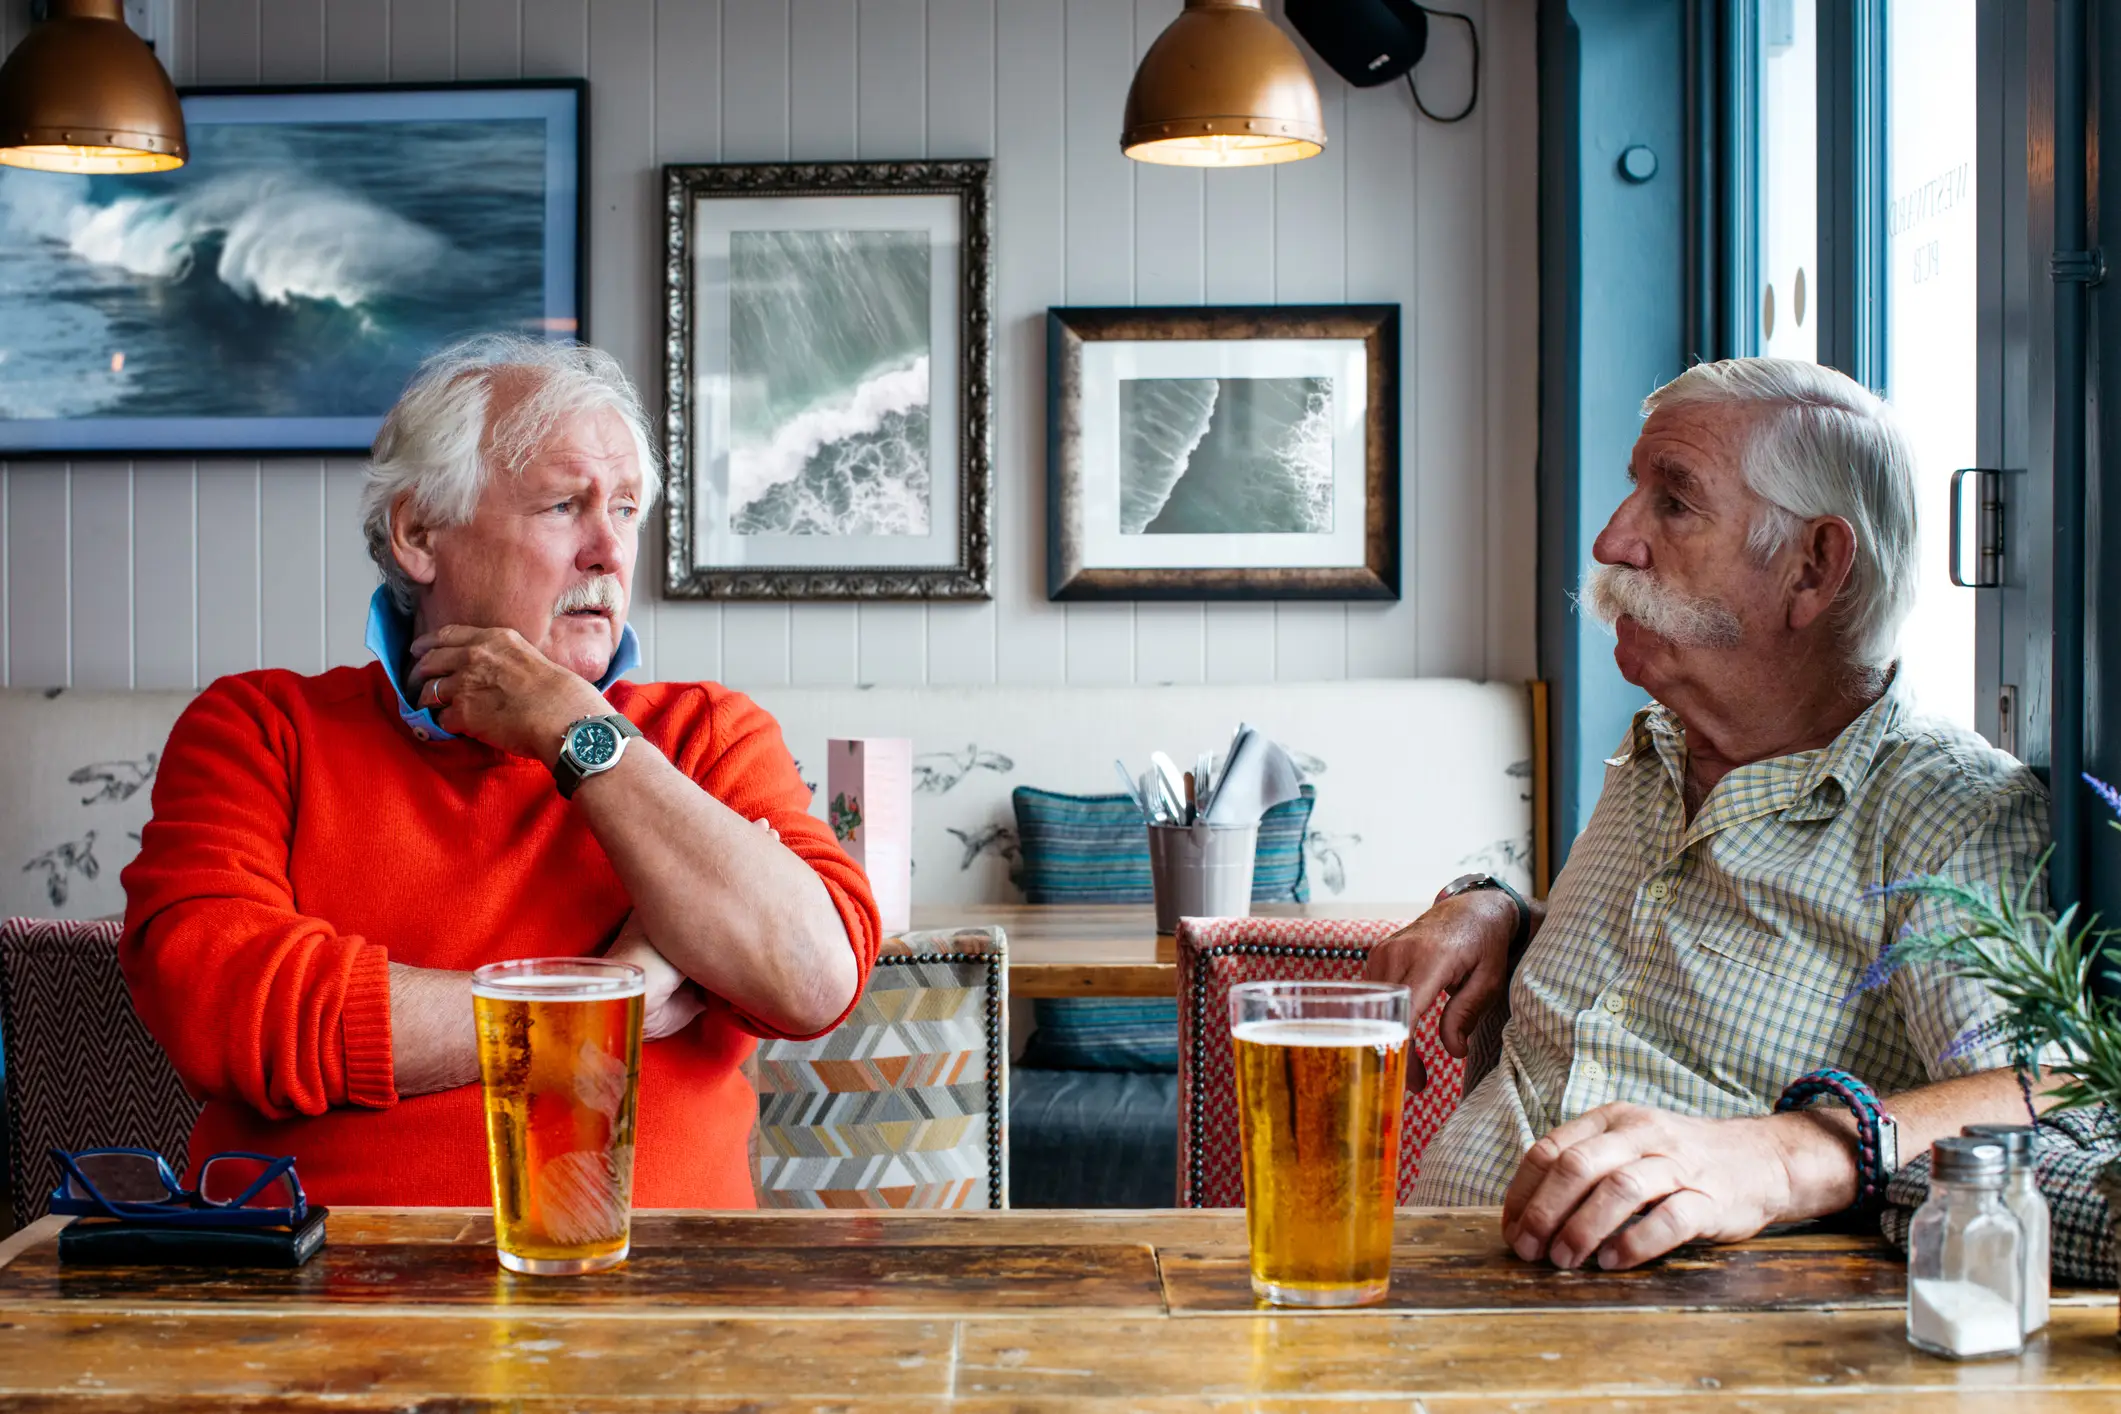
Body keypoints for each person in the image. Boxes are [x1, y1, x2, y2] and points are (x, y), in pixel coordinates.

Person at [120, 334, 878, 1208]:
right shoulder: (258, 730)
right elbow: (228, 1013)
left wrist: (573, 726)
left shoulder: (705, 737)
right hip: (326, 1290)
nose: (609, 551)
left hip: (653, 1296)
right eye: (564, 505)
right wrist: (607, 1000)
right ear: (417, 533)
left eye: (626, 510)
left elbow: (813, 978)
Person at [1367, 358, 2048, 1270]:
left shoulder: (1945, 811)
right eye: (1632, 495)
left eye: (1674, 504)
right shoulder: (1655, 746)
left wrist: (1789, 1152)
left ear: (1813, 567)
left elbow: (2053, 1093)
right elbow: (1641, 988)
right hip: (1427, 1284)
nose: (1611, 542)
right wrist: (1494, 909)